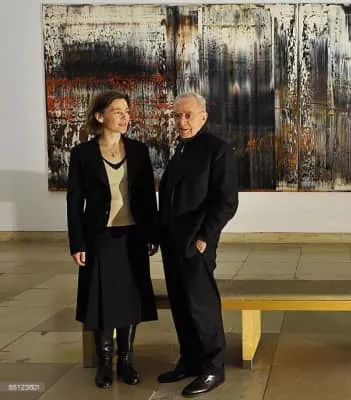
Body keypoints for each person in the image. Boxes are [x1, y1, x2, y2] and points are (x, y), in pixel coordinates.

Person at [66, 89, 159, 389]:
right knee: (101, 298)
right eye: (117, 111)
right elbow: (74, 202)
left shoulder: (139, 151)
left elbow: (148, 197)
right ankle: (105, 363)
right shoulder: (82, 154)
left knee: (130, 298)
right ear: (99, 116)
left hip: (133, 234)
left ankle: (127, 361)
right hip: (99, 236)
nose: (124, 116)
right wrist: (77, 243)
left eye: (127, 111)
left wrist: (152, 233)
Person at [156, 92, 239, 397]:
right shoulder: (181, 148)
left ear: (203, 116)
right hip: (172, 242)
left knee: (201, 306)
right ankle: (190, 360)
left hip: (196, 243)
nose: (182, 121)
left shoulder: (217, 150)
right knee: (180, 304)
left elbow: (226, 202)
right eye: (177, 116)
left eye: (188, 115)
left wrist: (205, 237)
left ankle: (213, 368)